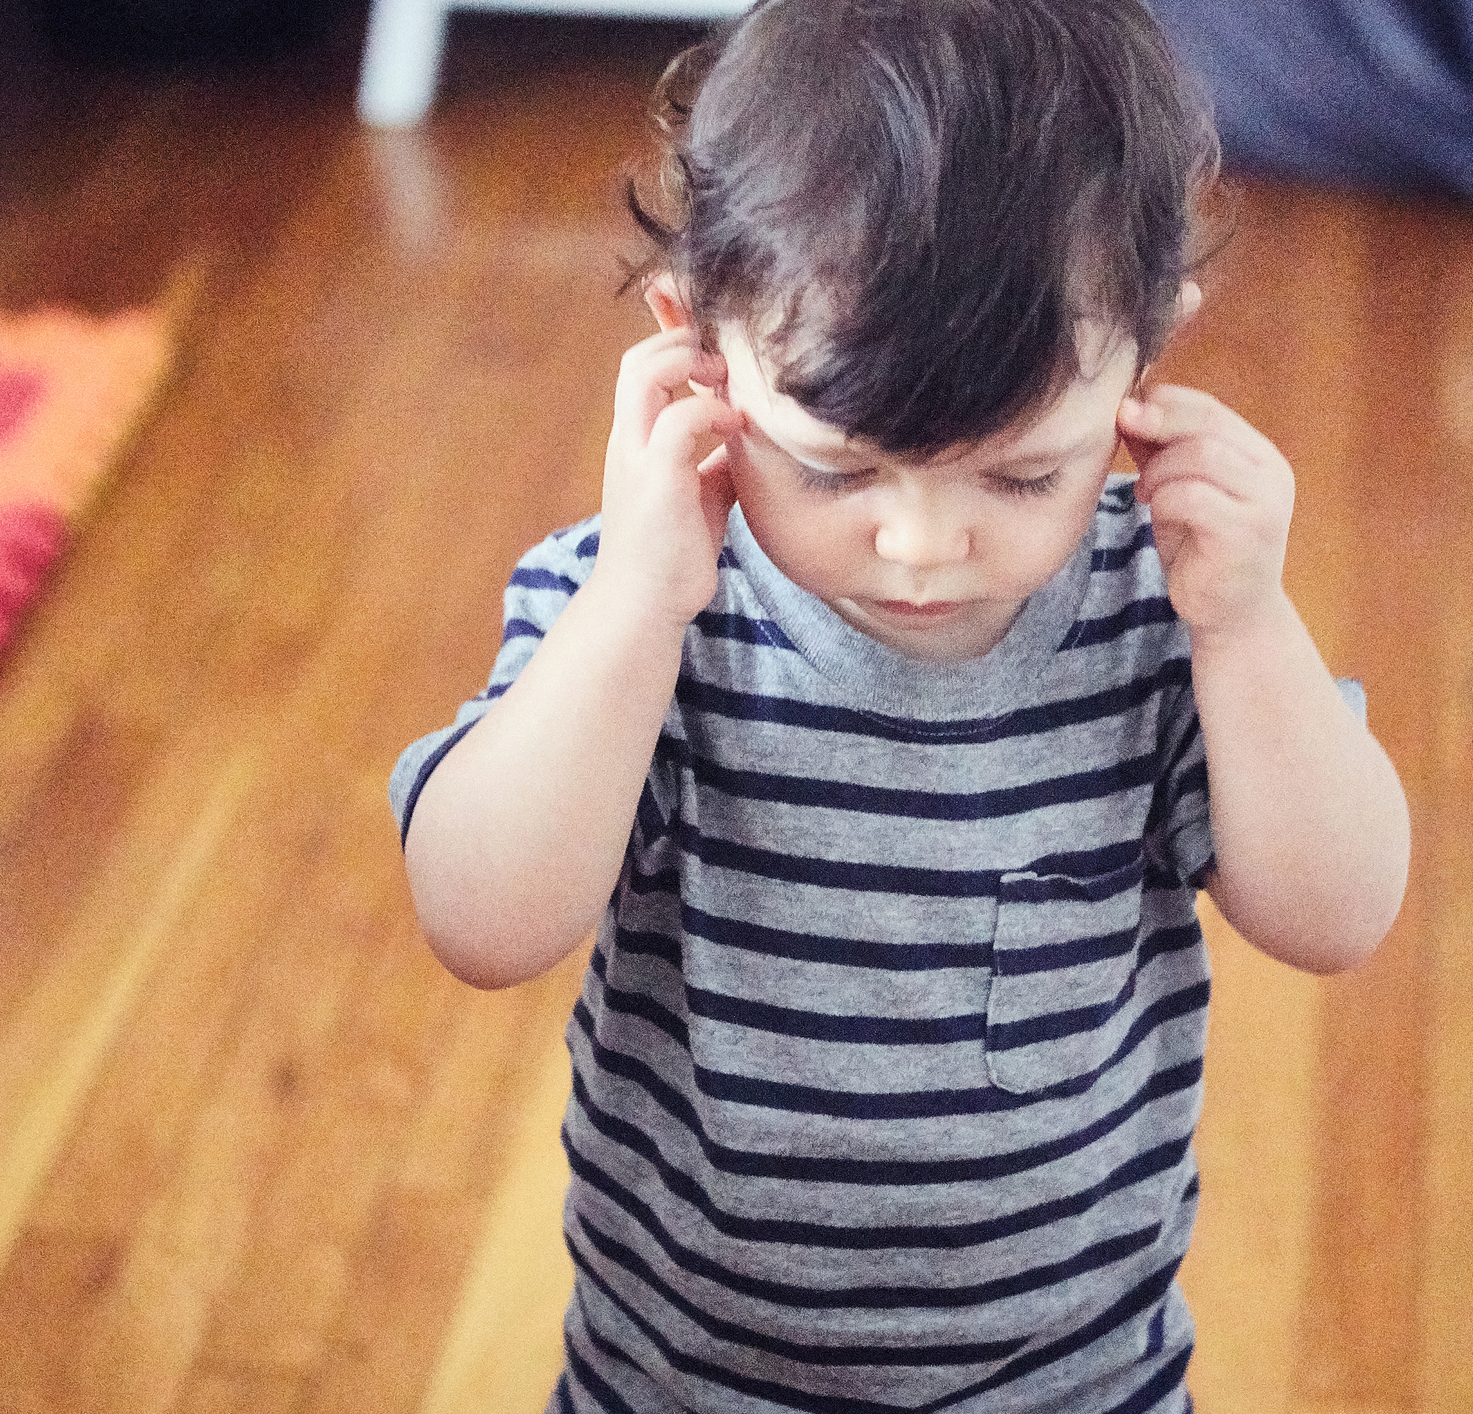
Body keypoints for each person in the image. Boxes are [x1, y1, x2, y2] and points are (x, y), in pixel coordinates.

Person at [388, 1, 1410, 1408]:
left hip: (1070, 1383)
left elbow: (1338, 912)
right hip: (687, 1383)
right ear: (699, 342)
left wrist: (1246, 626)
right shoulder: (634, 606)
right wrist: (635, 610)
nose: (924, 546)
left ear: (1143, 356)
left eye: (1019, 475)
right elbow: (479, 917)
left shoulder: (1165, 616)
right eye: (837, 469)